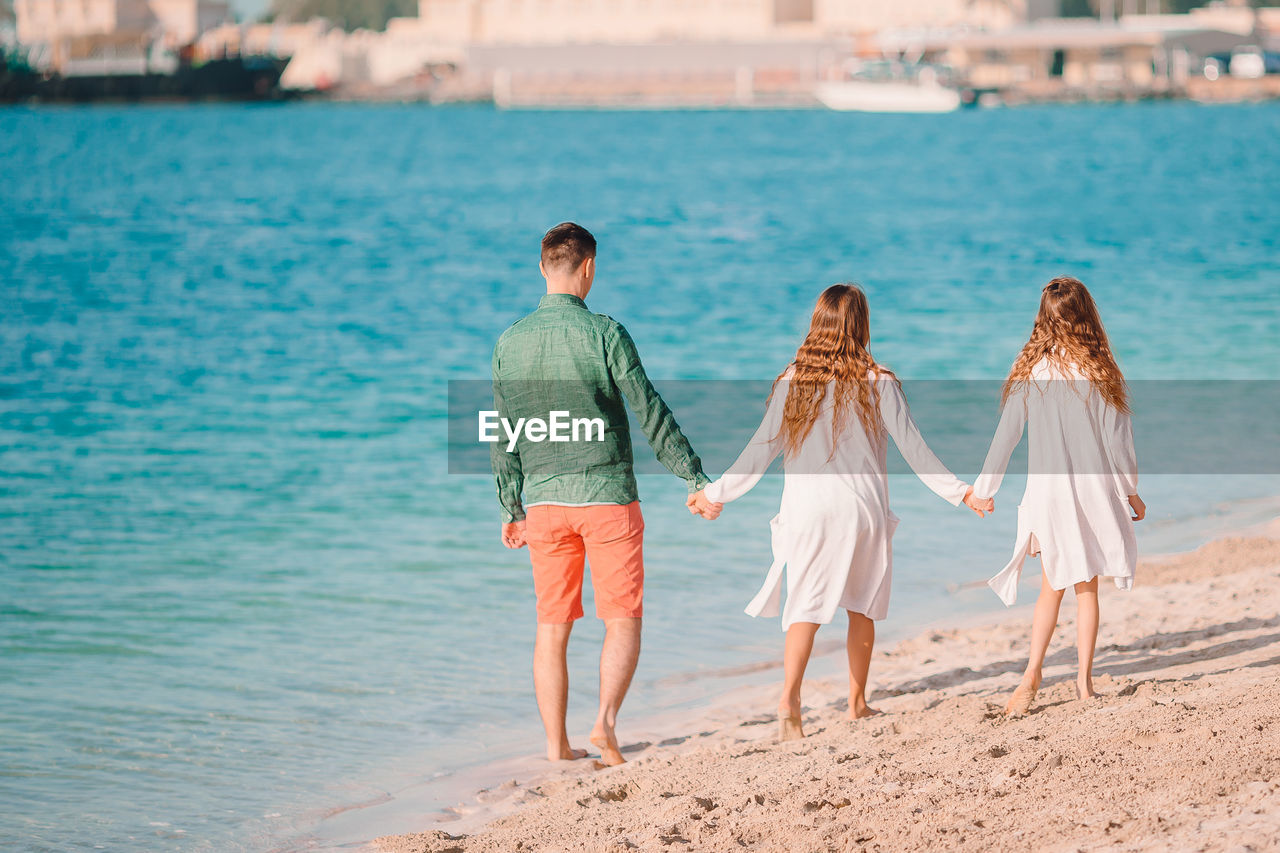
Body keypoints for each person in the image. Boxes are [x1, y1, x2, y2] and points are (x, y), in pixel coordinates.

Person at [697, 283, 991, 741]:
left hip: (809, 509)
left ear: (818, 323)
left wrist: (716, 493)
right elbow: (915, 449)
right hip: (861, 511)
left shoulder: (794, 379)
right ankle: (857, 703)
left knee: (806, 607)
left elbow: (760, 449)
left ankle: (789, 701)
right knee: (862, 606)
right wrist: (963, 494)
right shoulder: (880, 381)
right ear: (862, 325)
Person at [490, 222, 721, 766]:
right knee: (621, 618)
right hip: (608, 498)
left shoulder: (509, 342)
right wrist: (692, 475)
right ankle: (605, 728)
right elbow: (649, 410)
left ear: (542, 268)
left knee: (551, 628)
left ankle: (555, 747)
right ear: (588, 267)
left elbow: (504, 434)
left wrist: (512, 506)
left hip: (544, 505)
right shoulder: (606, 333)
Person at [973, 276, 1145, 716]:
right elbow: (1118, 441)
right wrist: (1131, 491)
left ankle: (1032, 672)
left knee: (1051, 588)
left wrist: (984, 490)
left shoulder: (1032, 373)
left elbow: (1005, 438)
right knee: (1086, 590)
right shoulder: (1100, 370)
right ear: (1086, 314)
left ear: (1042, 321)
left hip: (1047, 495)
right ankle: (1084, 685)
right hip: (1089, 492)